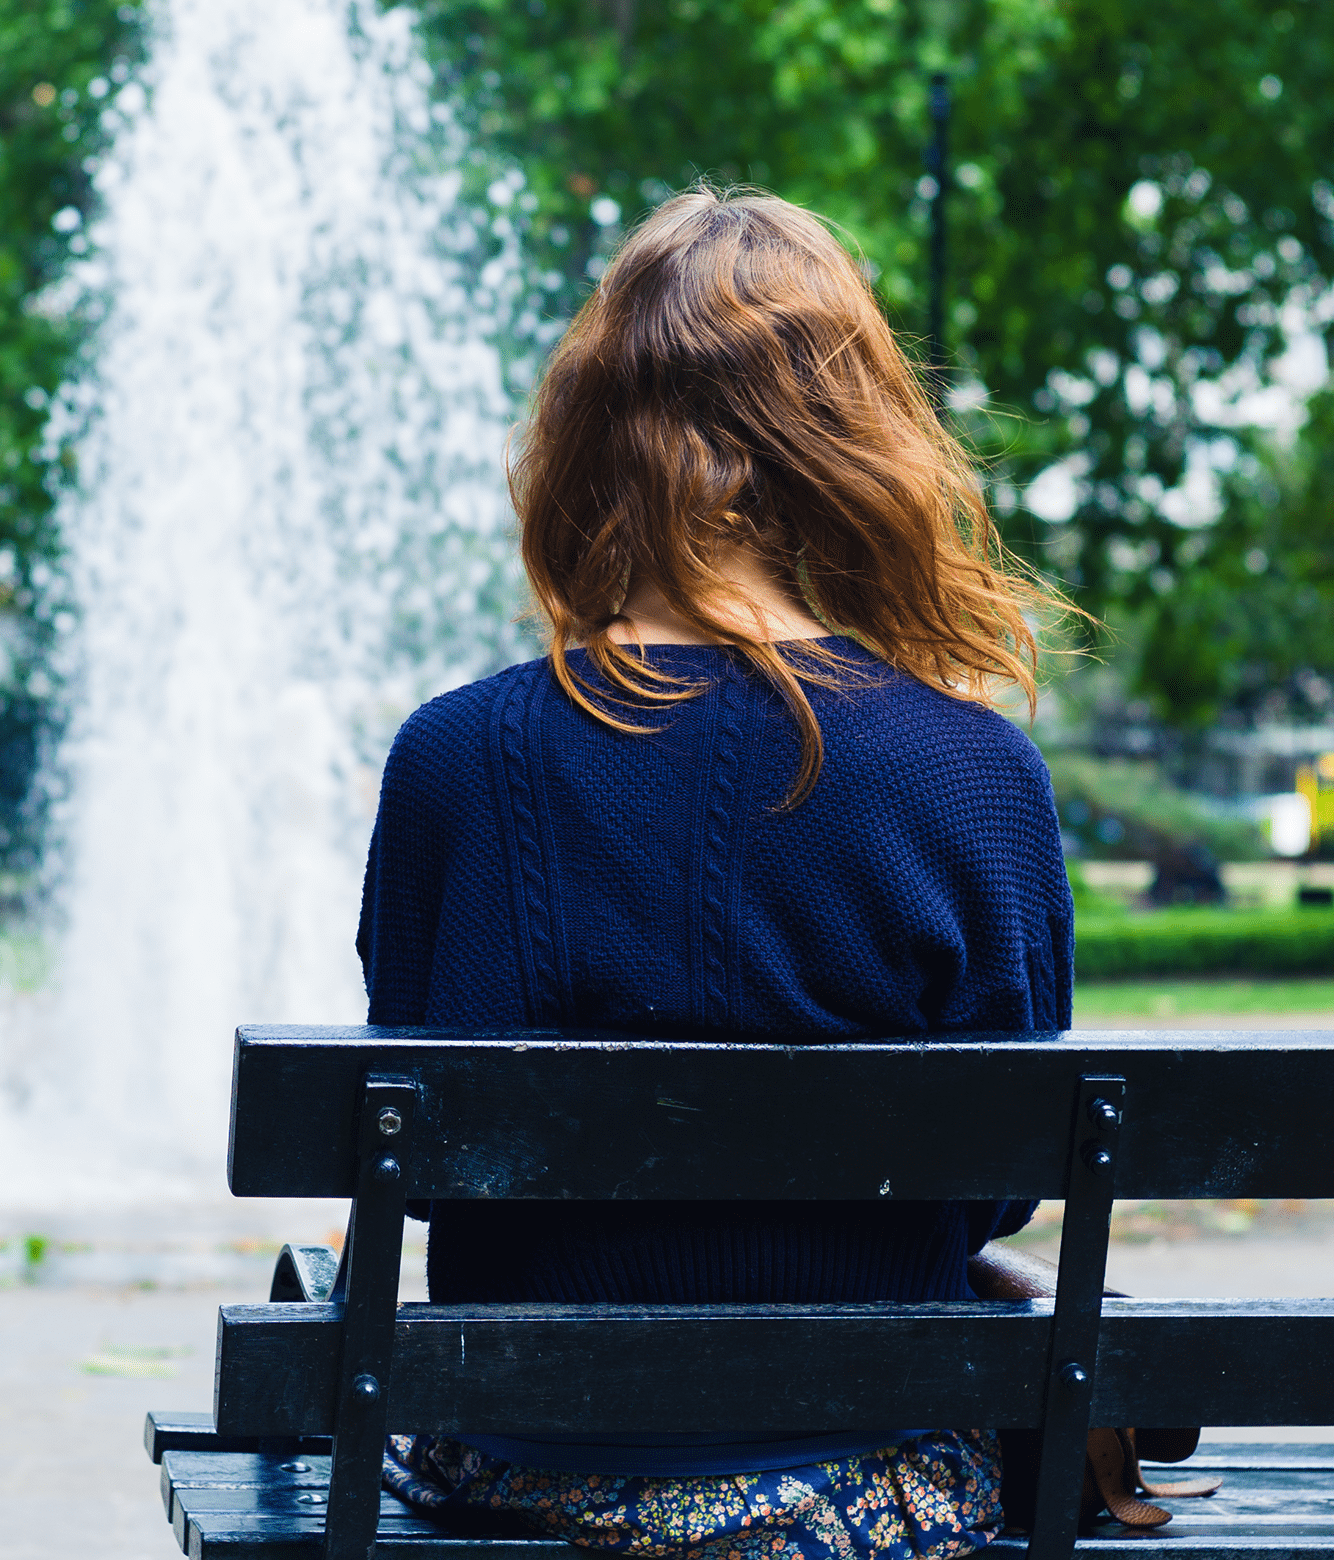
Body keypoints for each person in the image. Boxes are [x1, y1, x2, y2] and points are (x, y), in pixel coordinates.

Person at [356, 187, 1078, 1560]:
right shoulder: (973, 773)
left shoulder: (451, 758)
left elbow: (435, 1149)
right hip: (861, 1481)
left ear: (588, 442)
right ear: (851, 445)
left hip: (520, 1470)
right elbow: (994, 1185)